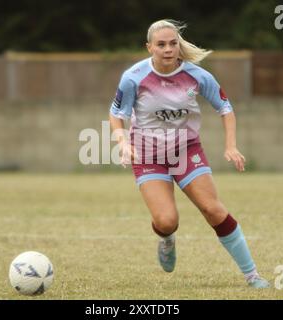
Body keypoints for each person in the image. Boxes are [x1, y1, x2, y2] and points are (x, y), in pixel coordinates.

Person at [109, 19, 269, 288]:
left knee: (213, 210)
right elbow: (116, 116)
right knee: (167, 221)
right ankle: (167, 238)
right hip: (149, 156)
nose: (168, 49)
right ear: (149, 47)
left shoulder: (197, 75)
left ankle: (252, 275)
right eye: (161, 44)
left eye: (173, 43)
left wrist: (230, 145)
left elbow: (226, 108)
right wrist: (123, 142)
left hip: (186, 150)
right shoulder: (133, 77)